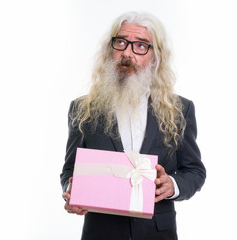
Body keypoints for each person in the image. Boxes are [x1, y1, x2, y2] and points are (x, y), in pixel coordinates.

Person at [60, 12, 206, 240]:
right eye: (121, 42)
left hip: (158, 233)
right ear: (110, 50)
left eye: (140, 46)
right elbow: (70, 170)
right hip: (101, 232)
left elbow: (195, 171)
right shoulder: (82, 109)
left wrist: (173, 184)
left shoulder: (179, 110)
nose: (127, 52)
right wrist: (70, 192)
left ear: (155, 57)